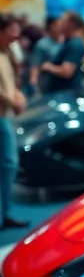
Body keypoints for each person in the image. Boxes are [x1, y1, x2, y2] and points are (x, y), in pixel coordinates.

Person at [0, 16, 26, 229]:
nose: (16, 35)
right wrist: (12, 100)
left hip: (4, 114)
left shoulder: (6, 52)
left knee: (8, 164)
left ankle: (4, 212)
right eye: (12, 30)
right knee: (8, 162)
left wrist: (17, 95)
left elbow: (10, 82)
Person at [41, 11, 84, 93]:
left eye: (63, 21)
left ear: (72, 24)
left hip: (66, 93)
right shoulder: (69, 42)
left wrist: (49, 67)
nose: (60, 23)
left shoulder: (75, 44)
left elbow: (67, 72)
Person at [30, 16, 63, 95]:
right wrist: (33, 83)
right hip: (48, 85)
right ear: (52, 26)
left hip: (64, 84)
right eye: (59, 25)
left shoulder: (66, 42)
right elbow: (35, 65)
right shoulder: (42, 44)